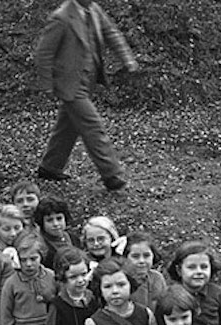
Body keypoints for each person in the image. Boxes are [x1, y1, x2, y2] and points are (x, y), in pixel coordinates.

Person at [34, 0, 138, 190]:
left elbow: (111, 33)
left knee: (68, 125)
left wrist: (127, 59)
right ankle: (112, 175)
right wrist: (46, 84)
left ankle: (50, 167)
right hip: (69, 84)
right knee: (93, 126)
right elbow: (44, 52)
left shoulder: (93, 9)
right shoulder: (61, 18)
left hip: (87, 80)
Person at [34, 195, 80, 270]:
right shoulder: (41, 246)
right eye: (49, 220)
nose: (55, 224)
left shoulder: (74, 239)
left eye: (59, 218)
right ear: (42, 223)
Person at [125, 231, 166, 312]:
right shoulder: (120, 280)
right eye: (135, 256)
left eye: (146, 255)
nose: (141, 261)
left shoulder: (157, 278)